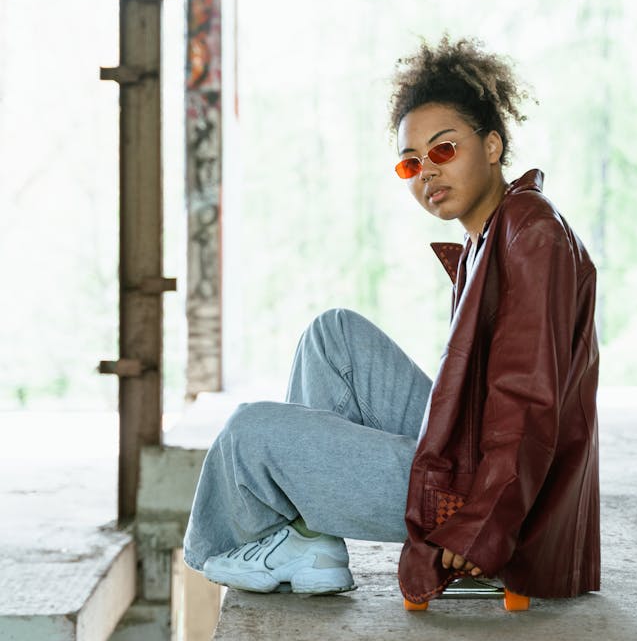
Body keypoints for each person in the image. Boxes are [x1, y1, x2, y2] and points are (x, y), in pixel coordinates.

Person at [183, 35, 600, 602]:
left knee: (250, 432)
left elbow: (528, 400)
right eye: (412, 161)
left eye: (445, 149)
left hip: (502, 507)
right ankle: (311, 540)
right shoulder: (492, 234)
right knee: (332, 334)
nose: (427, 171)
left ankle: (261, 538)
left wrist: (483, 525)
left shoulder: (531, 232)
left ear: (494, 145)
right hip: (485, 474)